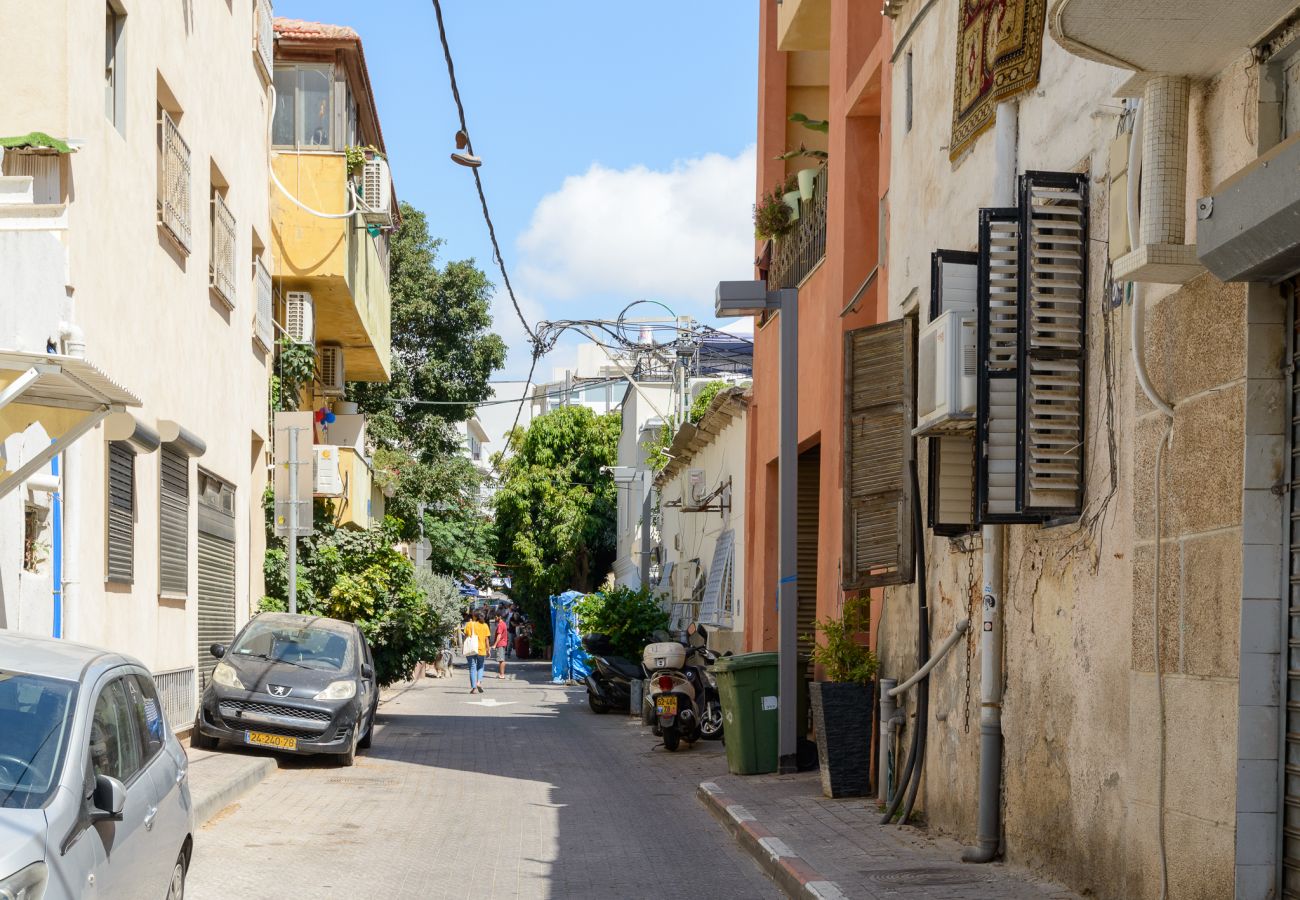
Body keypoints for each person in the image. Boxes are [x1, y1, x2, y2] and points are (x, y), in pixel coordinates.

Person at [463, 611, 490, 694]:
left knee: (472, 668)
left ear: (475, 617)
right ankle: (479, 682)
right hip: (481, 649)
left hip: (471, 649)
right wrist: (488, 649)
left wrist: (463, 647)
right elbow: (486, 639)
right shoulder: (485, 625)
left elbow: (466, 637)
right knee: (480, 667)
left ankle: (474, 688)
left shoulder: (469, 624)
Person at [493, 613, 510, 679]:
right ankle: (501, 674)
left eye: (496, 616)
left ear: (500, 617)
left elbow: (499, 635)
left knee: (501, 660)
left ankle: (501, 675)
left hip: (500, 643)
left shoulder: (500, 625)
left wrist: (495, 644)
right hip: (503, 643)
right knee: (502, 659)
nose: (495, 618)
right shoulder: (504, 624)